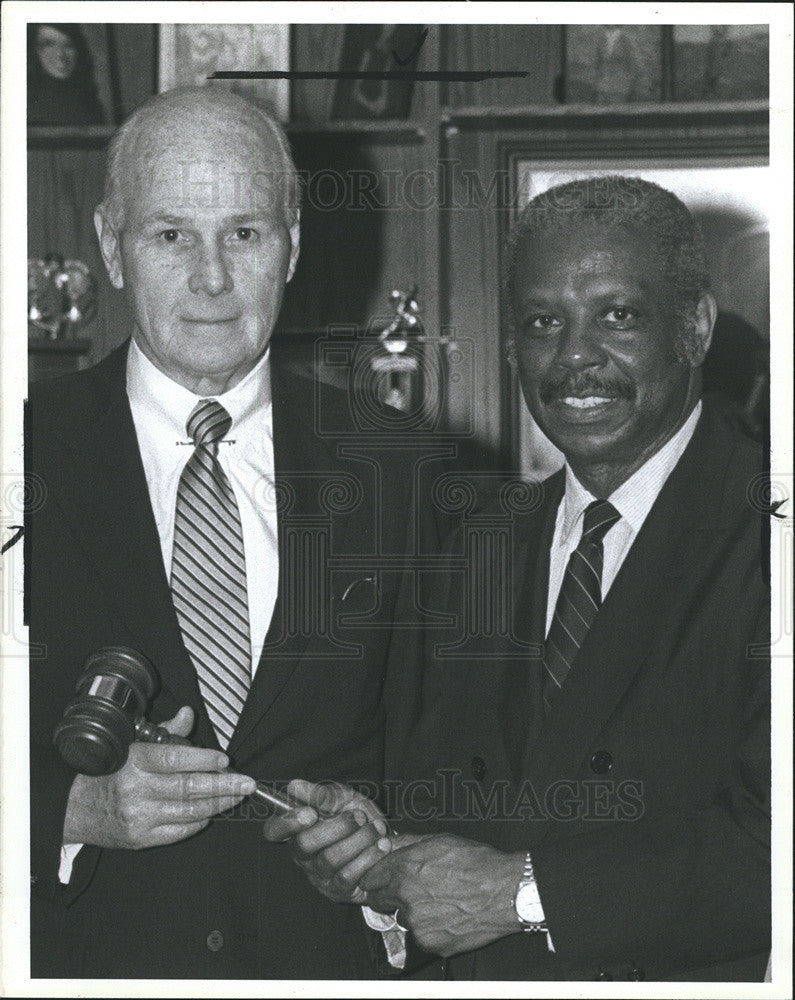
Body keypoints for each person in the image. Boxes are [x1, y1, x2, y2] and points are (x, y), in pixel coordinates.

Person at [264, 176, 771, 982]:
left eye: (617, 315)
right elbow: (432, 816)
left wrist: (525, 896)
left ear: (696, 327)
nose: (574, 356)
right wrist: (370, 856)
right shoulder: (474, 551)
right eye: (542, 322)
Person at [26, 86, 431, 978]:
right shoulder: (19, 455)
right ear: (110, 245)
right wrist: (60, 809)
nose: (211, 278)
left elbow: (457, 751)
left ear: (291, 244)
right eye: (171, 235)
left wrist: (384, 829)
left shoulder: (405, 473)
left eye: (244, 233)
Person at [27, 23, 107, 127]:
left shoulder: (89, 104)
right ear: (33, 51)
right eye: (48, 44)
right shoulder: (20, 103)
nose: (60, 54)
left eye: (68, 45)